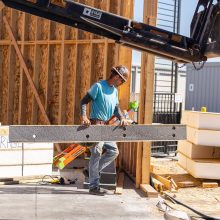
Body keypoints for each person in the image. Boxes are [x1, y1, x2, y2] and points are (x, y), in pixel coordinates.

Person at [80, 65, 130, 196]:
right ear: (116, 76)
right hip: (96, 125)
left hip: (106, 127)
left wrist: (122, 118)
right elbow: (84, 101)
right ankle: (94, 187)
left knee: (114, 151)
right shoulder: (98, 86)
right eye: (122, 81)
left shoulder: (115, 91)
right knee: (96, 153)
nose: (121, 83)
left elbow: (116, 109)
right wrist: (84, 116)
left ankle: (91, 171)